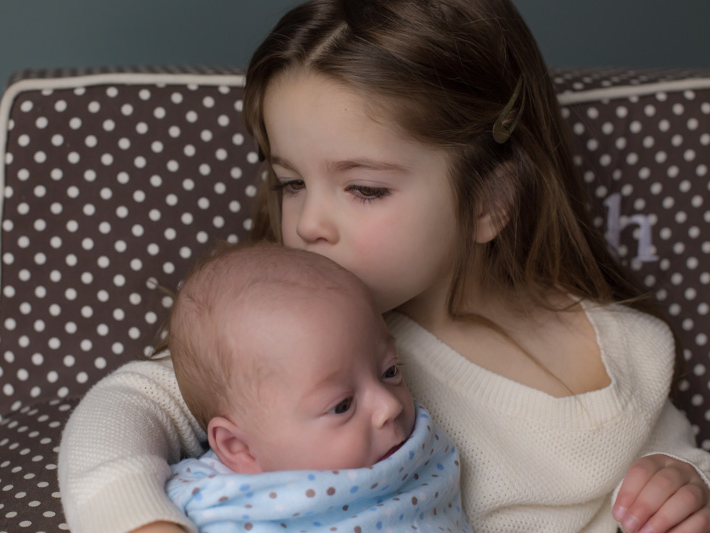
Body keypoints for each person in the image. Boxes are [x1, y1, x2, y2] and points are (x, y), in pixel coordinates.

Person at [58, 0, 710, 532]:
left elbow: (676, 454)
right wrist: (139, 521)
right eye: (290, 184)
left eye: (364, 189)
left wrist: (686, 483)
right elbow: (124, 408)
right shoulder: (304, 343)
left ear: (491, 200)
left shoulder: (628, 347)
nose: (309, 223)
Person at [163, 243, 470, 532]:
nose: (390, 405)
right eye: (342, 406)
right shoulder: (224, 508)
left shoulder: (422, 454)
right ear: (239, 448)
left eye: (390, 371)